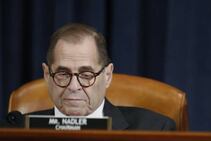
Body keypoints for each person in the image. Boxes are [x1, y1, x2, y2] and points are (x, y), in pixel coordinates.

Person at [5, 23, 176, 130]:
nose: (73, 86)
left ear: (108, 75)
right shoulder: (16, 132)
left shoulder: (154, 129)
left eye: (86, 75)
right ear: (47, 75)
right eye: (63, 74)